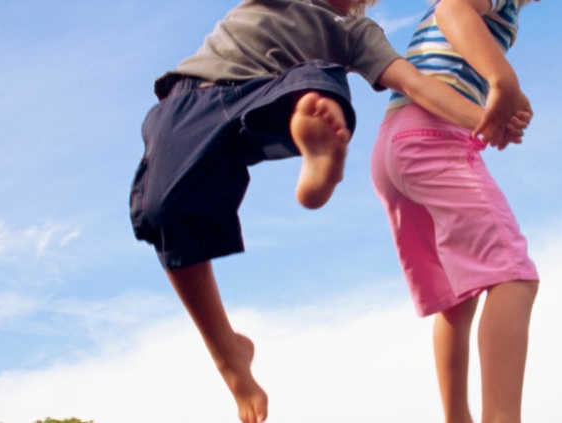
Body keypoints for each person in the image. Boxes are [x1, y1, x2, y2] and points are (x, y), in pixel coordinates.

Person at [128, 1, 529, 422]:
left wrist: (483, 120)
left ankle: (320, 151)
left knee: (319, 83)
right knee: (163, 213)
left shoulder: (354, 33)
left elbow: (415, 85)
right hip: (189, 98)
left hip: (274, 97)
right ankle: (229, 355)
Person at [369, 0, 541, 422]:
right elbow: (453, 7)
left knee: (456, 300)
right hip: (433, 139)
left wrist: (506, 96)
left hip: (394, 144)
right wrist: (502, 75)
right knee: (513, 277)